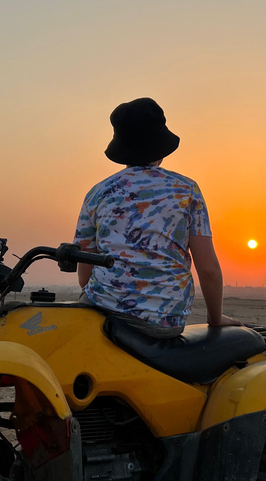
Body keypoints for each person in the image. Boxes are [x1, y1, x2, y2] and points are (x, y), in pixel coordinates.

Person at [74, 97, 242, 338]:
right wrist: (215, 320)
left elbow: (84, 273)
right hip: (164, 321)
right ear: (160, 146)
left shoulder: (97, 193)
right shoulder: (186, 190)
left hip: (102, 311)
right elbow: (209, 270)